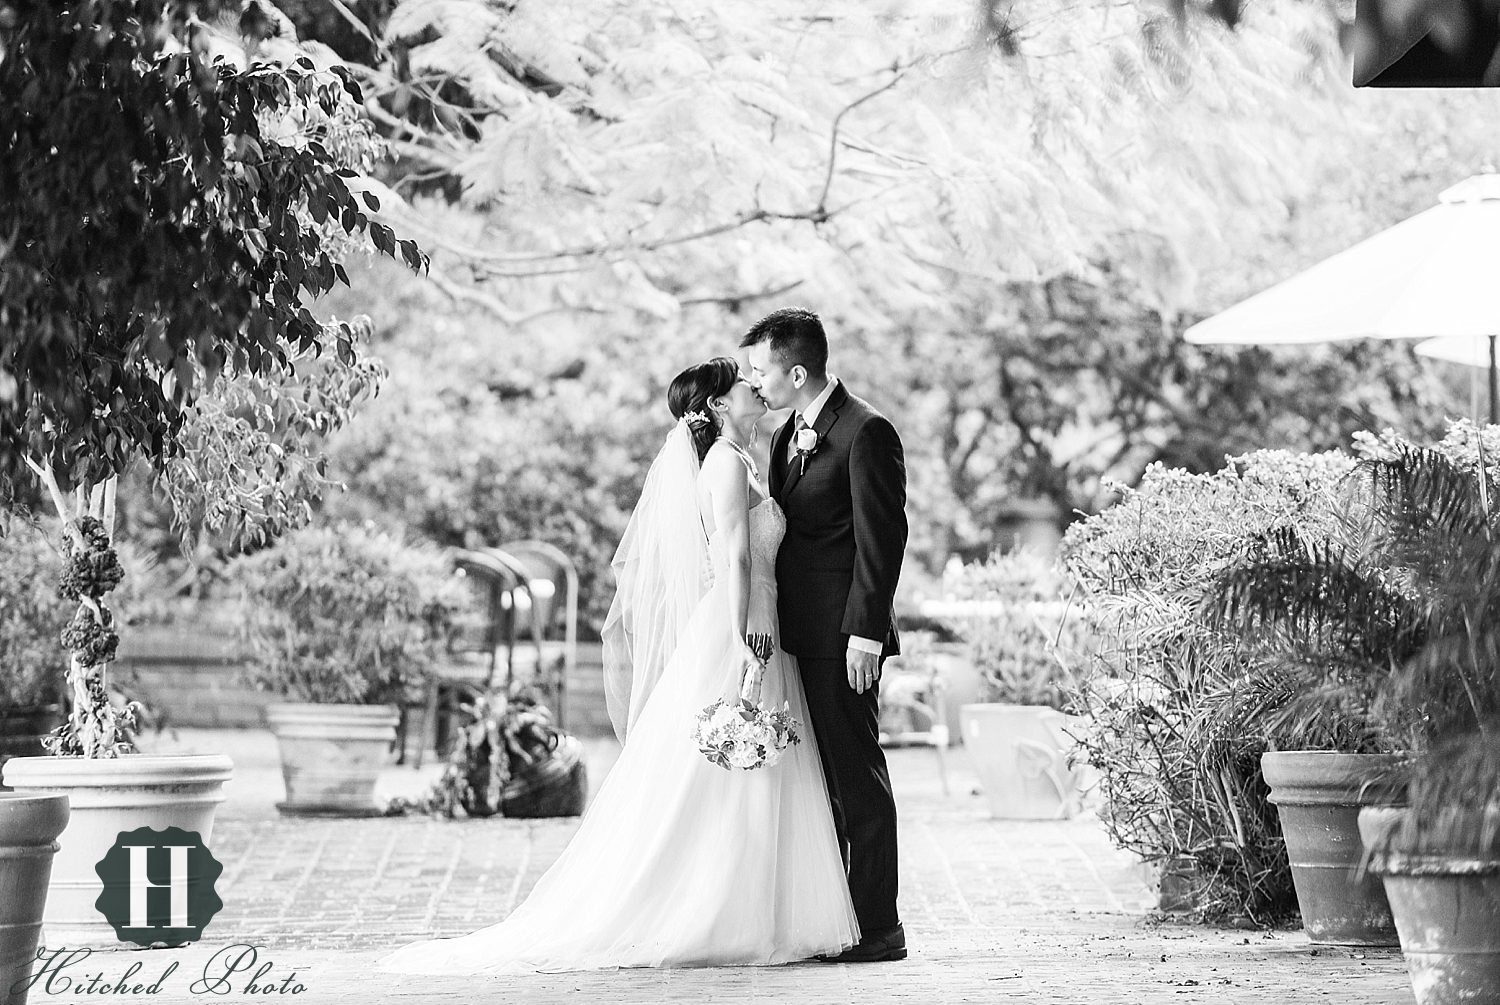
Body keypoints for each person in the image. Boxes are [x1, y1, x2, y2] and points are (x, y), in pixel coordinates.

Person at [379, 356, 859, 974]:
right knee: (727, 767)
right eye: (742, 382)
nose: (753, 385)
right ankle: (720, 910)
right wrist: (743, 637)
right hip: (743, 624)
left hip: (760, 620)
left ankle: (754, 906)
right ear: (717, 405)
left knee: (745, 770)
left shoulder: (741, 460)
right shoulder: (725, 465)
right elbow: (735, 558)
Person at [741, 308, 908, 964]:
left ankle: (878, 927)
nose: (757, 383)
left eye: (763, 371)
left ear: (798, 370)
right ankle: (833, 916)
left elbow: (883, 537)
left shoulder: (867, 431)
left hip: (844, 639)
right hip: (797, 636)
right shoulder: (786, 435)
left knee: (855, 775)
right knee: (819, 781)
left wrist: (865, 633)